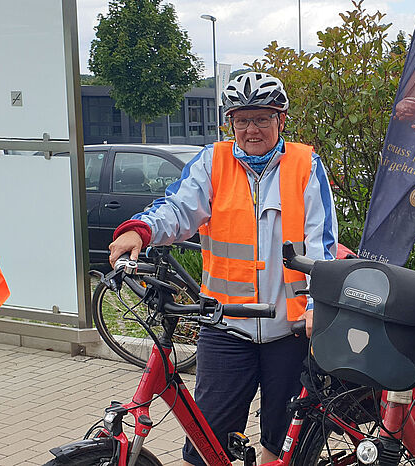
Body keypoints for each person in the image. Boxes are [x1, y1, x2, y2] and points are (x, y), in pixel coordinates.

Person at [107, 71, 338, 466]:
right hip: (226, 327)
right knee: (206, 443)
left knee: (284, 443)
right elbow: (178, 209)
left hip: (291, 329)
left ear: (280, 120)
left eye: (262, 118)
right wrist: (141, 232)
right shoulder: (212, 162)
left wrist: (319, 307)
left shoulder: (304, 165)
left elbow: (321, 247)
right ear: (229, 122)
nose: (251, 129)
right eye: (242, 119)